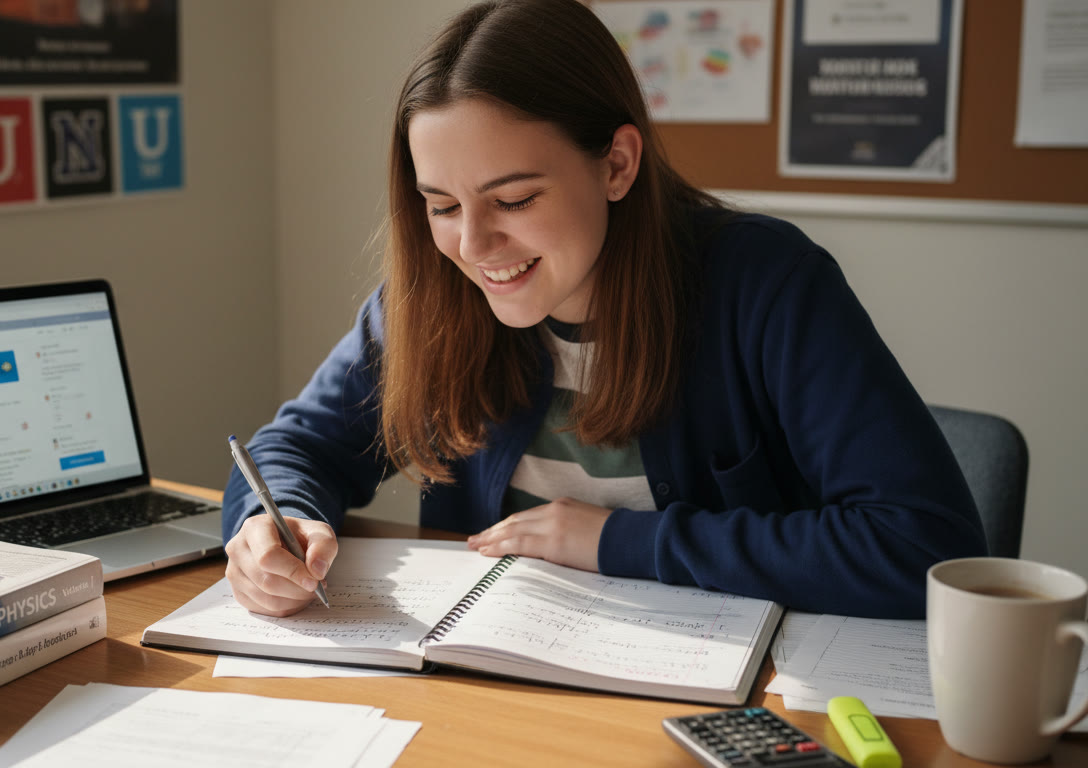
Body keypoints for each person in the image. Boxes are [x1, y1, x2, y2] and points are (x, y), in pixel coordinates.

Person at [221, 0, 986, 620]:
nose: (473, 243)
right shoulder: (436, 291)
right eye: (441, 204)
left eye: (514, 199)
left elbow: (923, 544)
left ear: (616, 164)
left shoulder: (765, 283)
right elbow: (294, 452)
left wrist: (622, 541)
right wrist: (272, 526)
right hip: (486, 685)